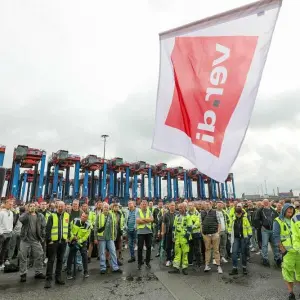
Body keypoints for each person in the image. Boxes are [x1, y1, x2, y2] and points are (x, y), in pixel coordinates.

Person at [45, 201, 70, 289]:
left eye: (62, 206)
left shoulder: (67, 215)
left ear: (64, 207)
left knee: (60, 260)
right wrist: (49, 240)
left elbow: (68, 227)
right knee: (51, 260)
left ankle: (58, 278)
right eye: (59, 206)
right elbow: (47, 229)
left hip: (63, 241)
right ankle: (48, 280)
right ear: (57, 207)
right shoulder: (52, 216)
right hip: (54, 242)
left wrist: (68, 237)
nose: (60, 208)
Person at [274, 204, 297, 300]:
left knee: (299, 273)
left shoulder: (295, 220)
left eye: (292, 211)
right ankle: (291, 293)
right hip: (287, 252)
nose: (290, 212)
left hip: (298, 251)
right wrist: (283, 250)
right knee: (288, 273)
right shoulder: (278, 221)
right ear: (284, 210)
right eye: (288, 211)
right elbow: (276, 236)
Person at [18, 203, 46, 282]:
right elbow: (21, 219)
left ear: (36, 207)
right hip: (25, 240)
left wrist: (43, 236)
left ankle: (38, 272)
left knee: (39, 255)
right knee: (23, 257)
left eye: (33, 206)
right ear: (28, 207)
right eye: (30, 206)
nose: (32, 207)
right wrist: (27, 212)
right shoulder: (26, 215)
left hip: (35, 240)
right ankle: (23, 274)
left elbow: (43, 226)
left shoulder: (40, 216)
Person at [94, 203, 122, 274]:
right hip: (101, 238)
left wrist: (115, 236)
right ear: (102, 208)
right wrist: (95, 238)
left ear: (109, 208)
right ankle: (103, 267)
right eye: (105, 207)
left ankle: (115, 267)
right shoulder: (99, 216)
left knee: (113, 252)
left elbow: (115, 226)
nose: (106, 208)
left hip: (110, 237)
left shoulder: (112, 215)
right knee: (102, 253)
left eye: (107, 207)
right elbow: (96, 228)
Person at [255, 199, 281, 267]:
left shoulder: (273, 210)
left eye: (267, 202)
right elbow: (256, 218)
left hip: (273, 230)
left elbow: (277, 218)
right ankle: (265, 259)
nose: (266, 203)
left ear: (269, 203)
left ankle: (277, 258)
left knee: (275, 245)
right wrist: (261, 226)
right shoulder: (260, 210)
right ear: (263, 203)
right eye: (264, 202)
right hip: (265, 230)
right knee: (265, 245)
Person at [228, 204, 252, 275]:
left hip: (243, 238)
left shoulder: (245, 219)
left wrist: (249, 236)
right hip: (235, 238)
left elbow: (248, 227)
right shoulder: (233, 219)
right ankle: (234, 268)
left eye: (239, 213)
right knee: (234, 253)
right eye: (237, 213)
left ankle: (244, 268)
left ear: (241, 213)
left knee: (243, 253)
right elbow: (230, 227)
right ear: (235, 213)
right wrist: (229, 233)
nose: (238, 215)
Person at [168, 203, 192, 275]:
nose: (180, 209)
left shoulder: (188, 216)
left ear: (185, 208)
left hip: (184, 238)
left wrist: (186, 237)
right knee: (177, 252)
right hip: (177, 237)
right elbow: (174, 227)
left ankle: (184, 268)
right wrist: (173, 237)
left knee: (185, 252)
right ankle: (176, 268)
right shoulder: (177, 216)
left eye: (181, 208)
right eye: (179, 208)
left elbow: (189, 227)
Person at [67, 212, 91, 279]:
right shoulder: (75, 220)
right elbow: (69, 229)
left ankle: (86, 272)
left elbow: (86, 237)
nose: (83, 218)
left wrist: (79, 241)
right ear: (81, 216)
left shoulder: (88, 225)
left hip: (81, 242)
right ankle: (68, 273)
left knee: (84, 254)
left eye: (85, 217)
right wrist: (72, 237)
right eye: (82, 216)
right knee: (70, 255)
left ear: (87, 218)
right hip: (73, 240)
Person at [201, 201, 223, 274]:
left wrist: (218, 233)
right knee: (207, 250)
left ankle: (218, 266)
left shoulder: (215, 212)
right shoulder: (202, 213)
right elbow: (201, 223)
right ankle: (207, 265)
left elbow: (219, 223)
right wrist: (202, 233)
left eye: (208, 204)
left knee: (216, 250)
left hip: (214, 234)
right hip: (206, 235)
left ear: (211, 205)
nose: (207, 206)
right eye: (206, 204)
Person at [136, 199, 153, 270]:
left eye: (145, 204)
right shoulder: (138, 211)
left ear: (147, 205)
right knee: (140, 248)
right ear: (140, 205)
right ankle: (139, 263)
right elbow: (137, 221)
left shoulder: (149, 211)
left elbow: (152, 219)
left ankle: (147, 262)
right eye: (143, 204)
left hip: (149, 232)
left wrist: (142, 220)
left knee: (149, 247)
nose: (144, 205)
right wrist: (147, 220)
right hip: (140, 232)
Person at [0, 199, 14, 270]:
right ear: (5, 204)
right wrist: (1, 233)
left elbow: (11, 223)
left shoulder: (11, 213)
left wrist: (11, 230)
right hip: (2, 234)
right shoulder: (1, 212)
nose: (11, 205)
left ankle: (1, 263)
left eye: (12, 204)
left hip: (9, 233)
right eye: (9, 204)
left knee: (5, 249)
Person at [187, 202, 202, 268]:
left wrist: (192, 227)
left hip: (196, 233)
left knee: (197, 249)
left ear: (193, 206)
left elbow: (198, 222)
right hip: (189, 233)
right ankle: (190, 262)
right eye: (189, 205)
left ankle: (199, 262)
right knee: (189, 248)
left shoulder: (197, 213)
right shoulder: (186, 213)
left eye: (191, 205)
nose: (190, 206)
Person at [162, 201, 176, 267]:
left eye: (173, 205)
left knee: (175, 247)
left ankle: (174, 259)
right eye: (171, 205)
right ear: (169, 206)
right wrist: (162, 232)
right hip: (168, 233)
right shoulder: (166, 214)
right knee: (168, 247)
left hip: (176, 233)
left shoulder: (177, 214)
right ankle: (168, 260)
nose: (172, 206)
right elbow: (163, 223)